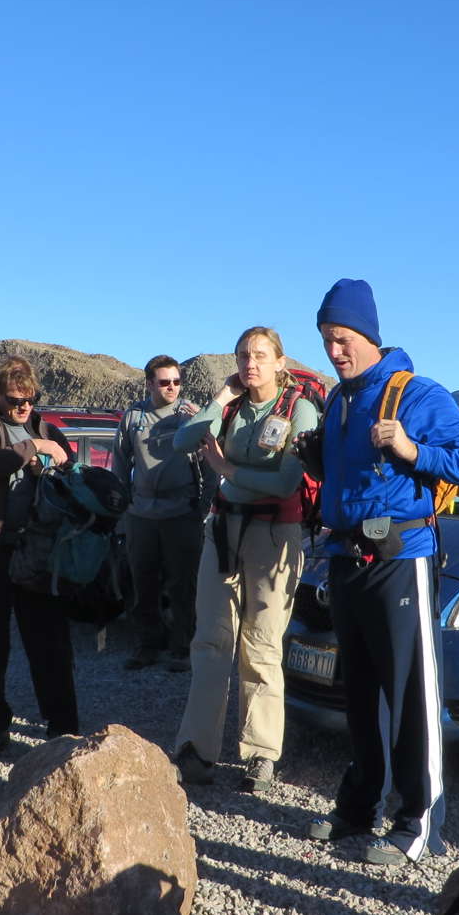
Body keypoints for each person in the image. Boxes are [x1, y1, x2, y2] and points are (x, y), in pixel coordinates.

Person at [300, 279, 459, 867]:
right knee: (359, 694)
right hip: (345, 558)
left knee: (411, 695)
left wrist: (413, 451)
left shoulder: (416, 393)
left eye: (342, 338)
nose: (334, 350)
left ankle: (418, 825)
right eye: (326, 340)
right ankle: (358, 809)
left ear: (368, 335)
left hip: (400, 560)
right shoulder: (339, 400)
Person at [170, 327, 322, 792]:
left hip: (274, 536)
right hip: (223, 531)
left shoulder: (298, 409)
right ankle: (197, 749)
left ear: (280, 362)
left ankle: (260, 754)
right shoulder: (233, 407)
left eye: (259, 355)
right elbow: (182, 441)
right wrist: (221, 396)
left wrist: (225, 469)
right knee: (210, 642)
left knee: (261, 646)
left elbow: (285, 482)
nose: (250, 363)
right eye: (242, 356)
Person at [0, 355, 80, 758]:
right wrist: (32, 449)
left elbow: (72, 477)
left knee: (50, 644)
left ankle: (63, 729)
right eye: (14, 400)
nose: (23, 407)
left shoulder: (47, 428)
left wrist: (55, 469)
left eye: (30, 399)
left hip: (39, 553)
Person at [114, 355, 206, 672]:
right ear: (150, 384)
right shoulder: (134, 416)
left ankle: (183, 647)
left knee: (183, 585)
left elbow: (210, 461)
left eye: (177, 382)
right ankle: (148, 645)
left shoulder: (190, 414)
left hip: (181, 512)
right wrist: (123, 505)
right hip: (141, 513)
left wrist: (202, 507)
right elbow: (120, 461)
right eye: (165, 382)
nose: (172, 388)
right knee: (143, 583)